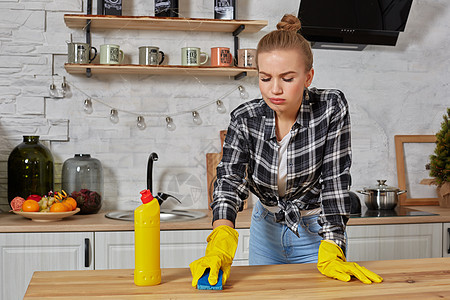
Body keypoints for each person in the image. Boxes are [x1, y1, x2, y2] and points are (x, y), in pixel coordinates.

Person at [190, 14, 383, 288]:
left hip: (318, 232)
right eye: (265, 78)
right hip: (265, 232)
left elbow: (335, 180)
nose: (275, 89)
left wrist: (332, 244)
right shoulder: (245, 118)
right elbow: (229, 181)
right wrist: (221, 238)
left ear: (308, 77)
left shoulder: (330, 107)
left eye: (287, 78)